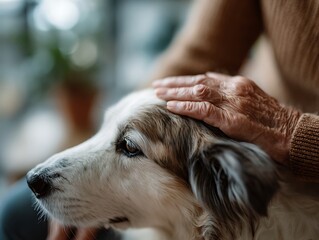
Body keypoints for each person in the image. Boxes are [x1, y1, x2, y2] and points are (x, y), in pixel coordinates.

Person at [1, 0, 318, 239]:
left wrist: (294, 134)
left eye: (128, 147)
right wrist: (137, 110)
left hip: (267, 165)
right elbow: (202, 49)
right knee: (14, 216)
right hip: (243, 120)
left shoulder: (235, 183)